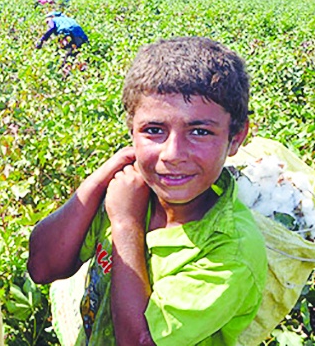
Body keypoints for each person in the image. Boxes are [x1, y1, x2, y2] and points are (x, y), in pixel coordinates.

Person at [27, 36, 267, 345]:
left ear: (235, 137)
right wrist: (100, 179)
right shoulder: (129, 191)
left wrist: (127, 224)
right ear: (131, 132)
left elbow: (139, 342)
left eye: (200, 132)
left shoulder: (231, 249)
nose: (173, 153)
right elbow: (42, 266)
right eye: (154, 130)